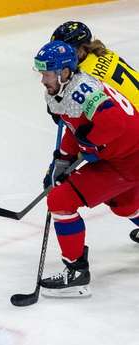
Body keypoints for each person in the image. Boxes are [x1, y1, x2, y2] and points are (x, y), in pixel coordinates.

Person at [34, 41, 139, 297]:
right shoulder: (64, 89)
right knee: (124, 203)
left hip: (129, 159)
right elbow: (75, 127)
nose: (43, 80)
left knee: (60, 200)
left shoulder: (83, 91)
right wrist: (62, 161)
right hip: (125, 155)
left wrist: (90, 143)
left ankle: (76, 274)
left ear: (65, 72)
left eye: (47, 73)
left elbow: (114, 123)